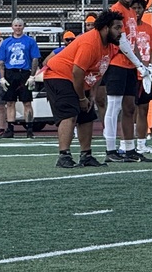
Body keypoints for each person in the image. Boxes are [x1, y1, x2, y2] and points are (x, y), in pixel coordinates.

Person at [42, 9, 122, 168]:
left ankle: (86, 155)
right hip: (59, 75)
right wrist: (81, 98)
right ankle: (63, 155)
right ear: (105, 28)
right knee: (70, 114)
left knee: (87, 115)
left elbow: (100, 71)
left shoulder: (111, 46)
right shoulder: (90, 42)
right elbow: (77, 72)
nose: (121, 32)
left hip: (78, 79)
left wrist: (91, 94)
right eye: (117, 28)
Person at [104, 0, 149, 162]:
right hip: (116, 63)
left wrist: (143, 63)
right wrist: (138, 63)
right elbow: (121, 42)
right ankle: (110, 150)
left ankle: (130, 148)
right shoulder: (116, 10)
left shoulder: (131, 12)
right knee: (113, 107)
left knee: (130, 108)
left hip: (130, 65)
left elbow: (133, 42)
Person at [0, 17, 41, 139]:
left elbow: (35, 59)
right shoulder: (6, 42)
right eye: (16, 25)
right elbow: (1, 62)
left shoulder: (30, 41)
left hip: (24, 73)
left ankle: (29, 129)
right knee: (10, 102)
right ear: (12, 27)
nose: (18, 28)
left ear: (23, 27)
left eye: (20, 25)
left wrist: (32, 76)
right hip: (10, 73)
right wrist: (2, 78)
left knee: (26, 102)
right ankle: (10, 129)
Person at [131, 0, 152, 155]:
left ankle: (141, 143)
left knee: (143, 108)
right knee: (129, 109)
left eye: (139, 8)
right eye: (134, 8)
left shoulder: (148, 28)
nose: (137, 11)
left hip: (146, 74)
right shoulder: (127, 26)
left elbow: (150, 50)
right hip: (131, 71)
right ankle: (127, 143)